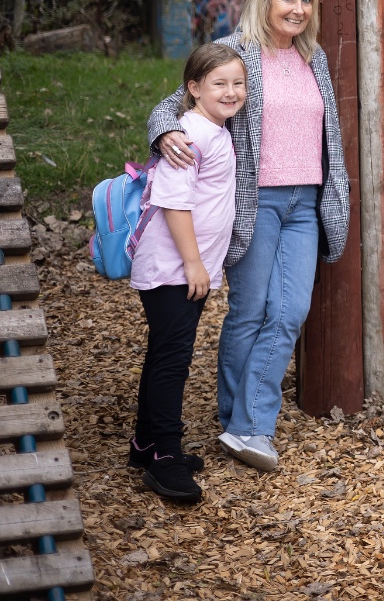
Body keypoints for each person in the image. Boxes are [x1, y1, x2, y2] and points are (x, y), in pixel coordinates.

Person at [148, 0, 350, 473]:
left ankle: (247, 426)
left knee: (290, 312)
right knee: (250, 312)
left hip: (305, 202)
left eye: (306, 0)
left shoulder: (314, 58)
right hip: (253, 201)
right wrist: (163, 133)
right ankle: (240, 422)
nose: (298, 9)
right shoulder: (237, 53)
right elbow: (173, 102)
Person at [129, 43, 248, 503]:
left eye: (238, 83)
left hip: (185, 268)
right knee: (172, 360)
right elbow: (173, 203)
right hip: (174, 268)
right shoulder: (189, 135)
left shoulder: (214, 129)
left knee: (165, 353)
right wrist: (195, 263)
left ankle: (144, 445)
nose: (231, 91)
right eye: (219, 83)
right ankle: (165, 459)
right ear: (194, 88)